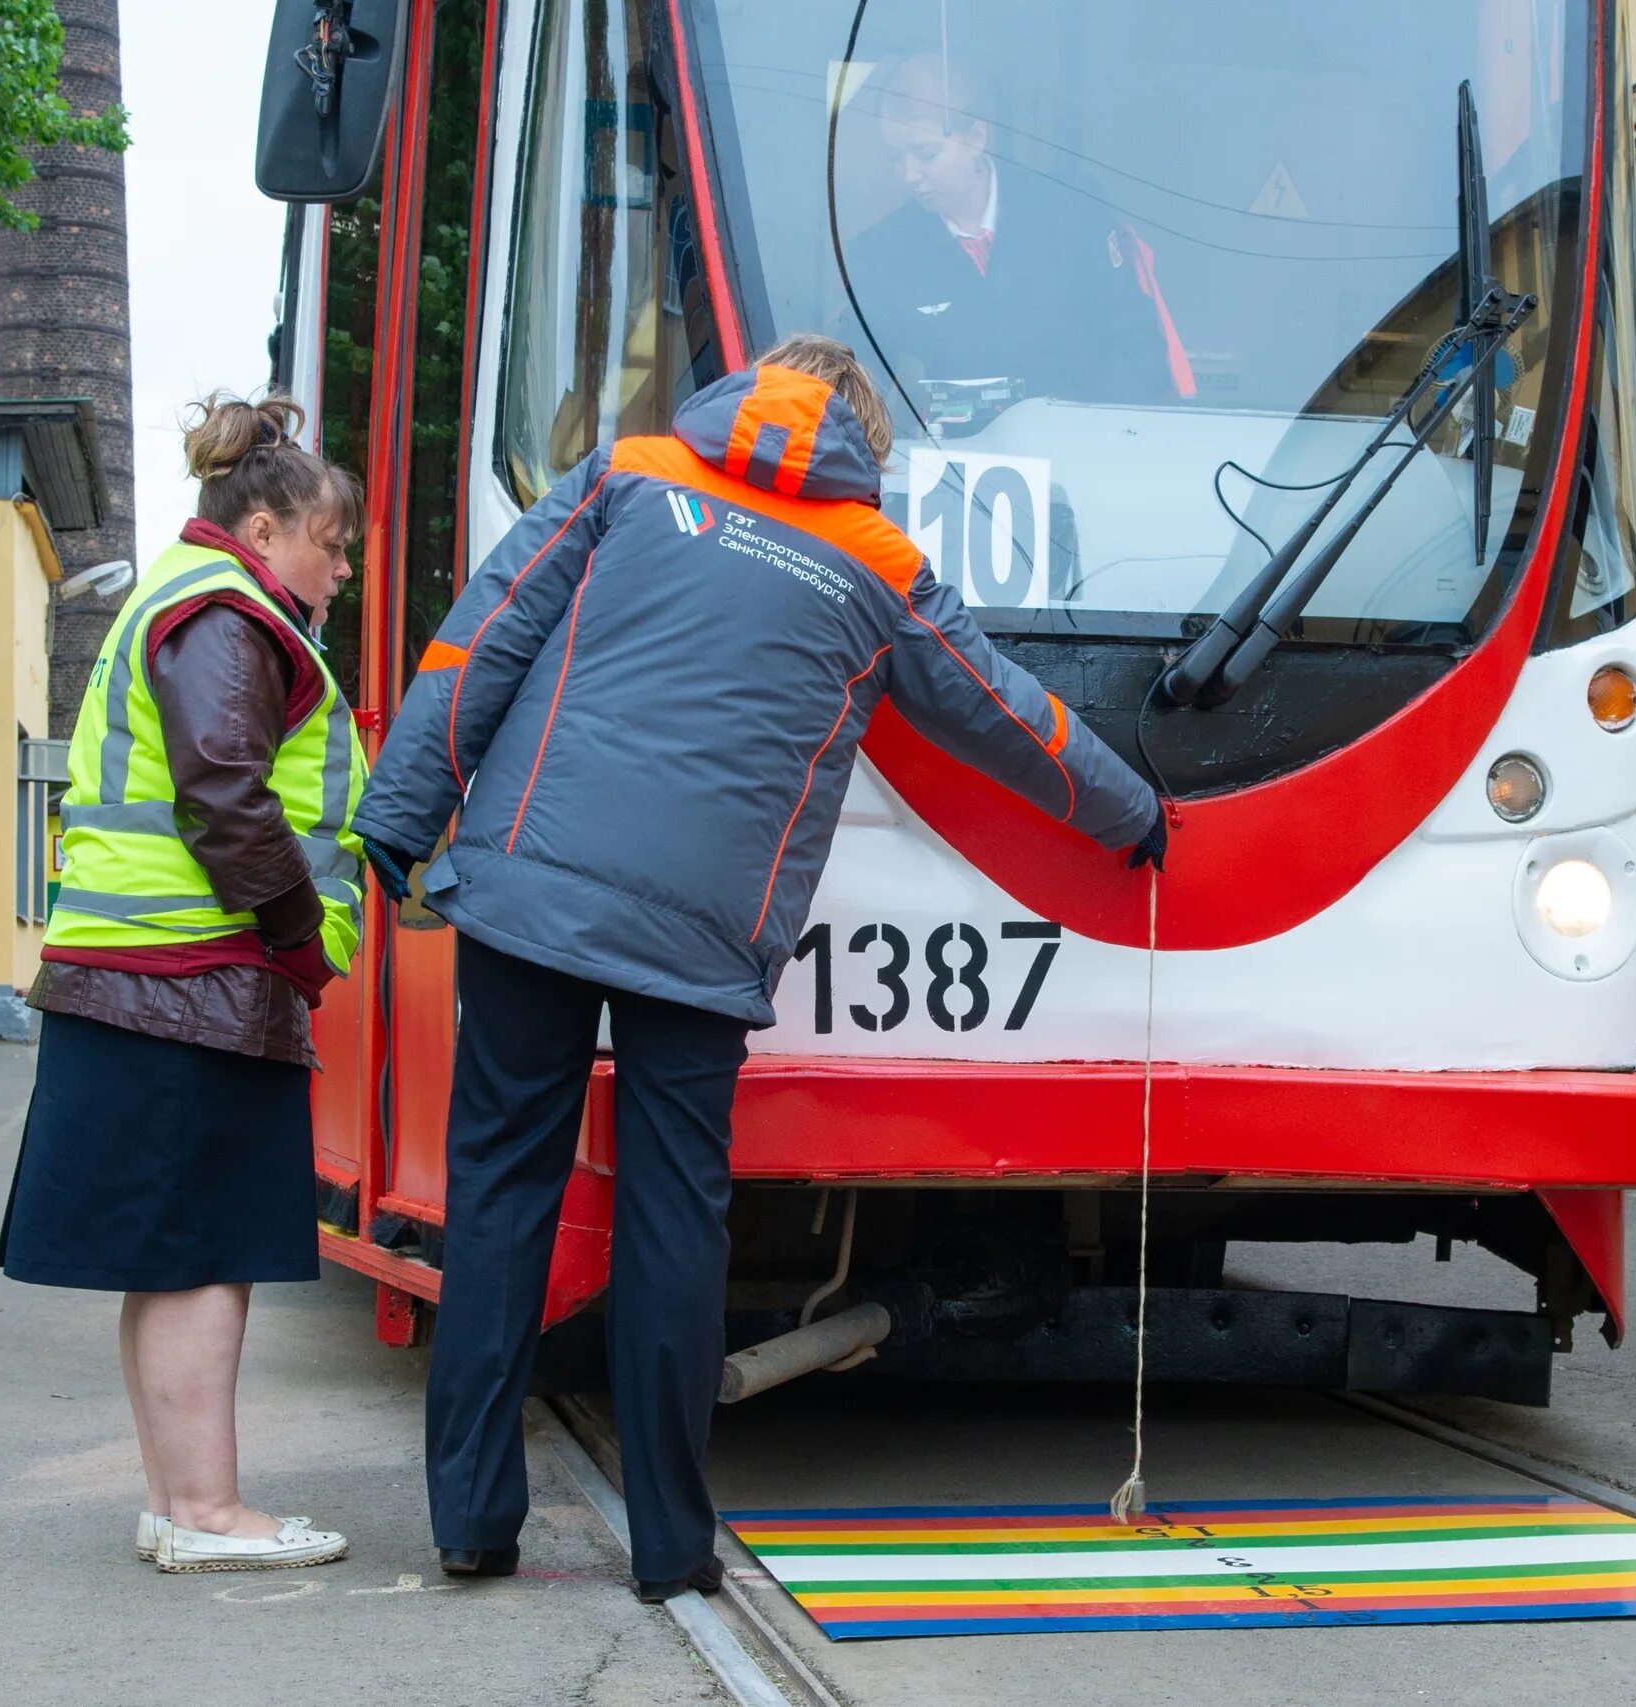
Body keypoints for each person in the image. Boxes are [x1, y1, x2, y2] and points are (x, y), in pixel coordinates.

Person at [353, 335, 1167, 1599]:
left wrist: (399, 819)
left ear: (748, 393)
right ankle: (672, 1546)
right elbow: (999, 711)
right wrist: (1131, 814)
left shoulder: (627, 475)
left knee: (502, 1194)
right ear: (863, 445)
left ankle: (472, 1520)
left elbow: (482, 642)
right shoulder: (875, 561)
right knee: (676, 1220)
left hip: (528, 887)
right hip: (700, 927)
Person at [0, 394, 370, 1575]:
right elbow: (224, 788)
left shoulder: (185, 597)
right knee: (208, 1252)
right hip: (197, 981)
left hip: (140, 977)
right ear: (264, 530)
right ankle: (208, 1513)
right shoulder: (229, 615)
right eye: (333, 542)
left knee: (172, 1255)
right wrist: (303, 943)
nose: (344, 567)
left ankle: (179, 1504)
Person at [843, 54, 1189, 408]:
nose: (909, 174)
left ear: (976, 138)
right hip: (954, 456)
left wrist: (1077, 421)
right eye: (895, 158)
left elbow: (1139, 351)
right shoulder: (882, 253)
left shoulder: (1072, 215)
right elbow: (856, 384)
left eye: (926, 154)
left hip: (1082, 446)